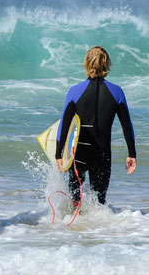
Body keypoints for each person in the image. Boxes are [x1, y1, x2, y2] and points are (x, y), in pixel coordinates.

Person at [56, 46, 136, 205]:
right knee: (99, 203)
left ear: (86, 63)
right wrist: (132, 154)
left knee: (75, 202)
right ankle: (99, 229)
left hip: (79, 154)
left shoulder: (74, 91)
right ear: (107, 64)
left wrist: (58, 154)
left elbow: (64, 126)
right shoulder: (117, 92)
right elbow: (127, 125)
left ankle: (74, 228)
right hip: (102, 154)